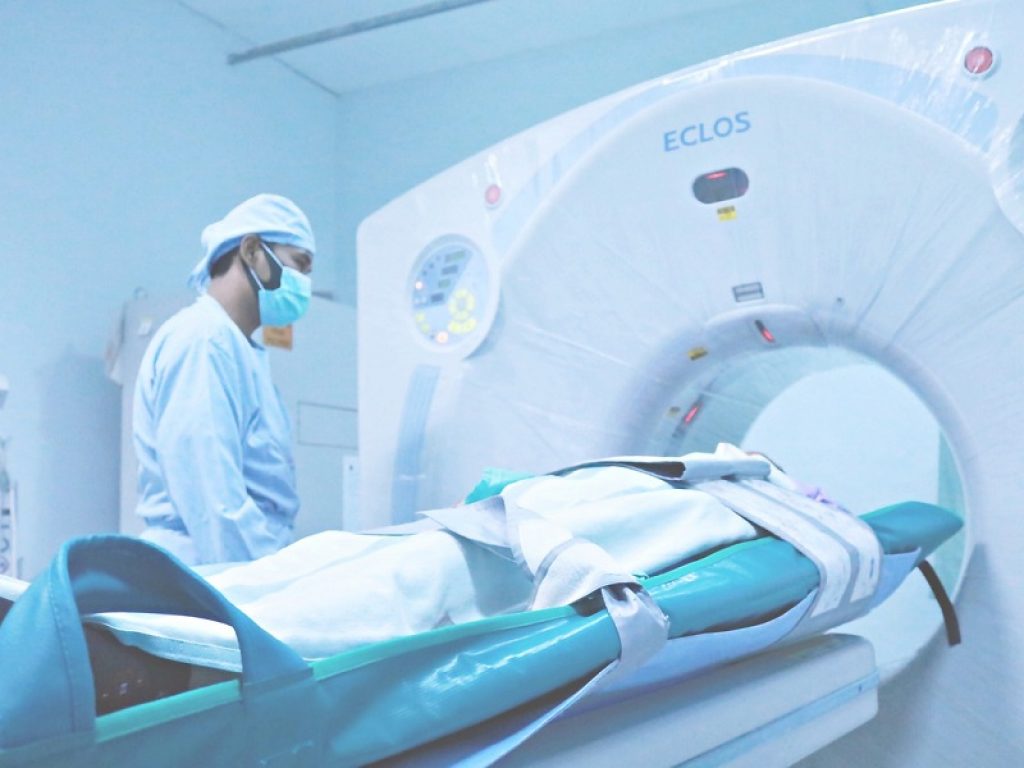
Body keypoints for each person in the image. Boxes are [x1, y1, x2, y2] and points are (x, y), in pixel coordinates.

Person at [133, 194, 315, 565]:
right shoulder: (204, 340)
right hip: (210, 572)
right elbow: (214, 500)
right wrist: (262, 590)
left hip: (238, 567)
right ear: (252, 250)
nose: (303, 284)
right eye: (299, 264)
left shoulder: (239, 349)